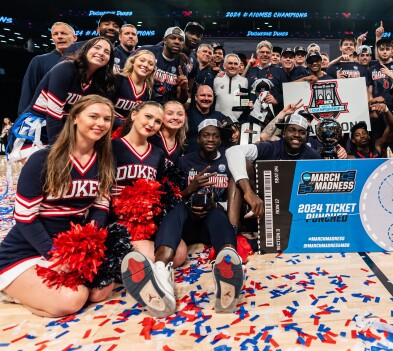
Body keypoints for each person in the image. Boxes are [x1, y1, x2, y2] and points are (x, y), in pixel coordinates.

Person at [0, 95, 115, 317]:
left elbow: (101, 206)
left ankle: (36, 293)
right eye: (93, 116)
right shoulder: (42, 159)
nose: (100, 123)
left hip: (71, 249)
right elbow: (25, 218)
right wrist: (54, 254)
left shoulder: (105, 160)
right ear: (74, 118)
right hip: (28, 249)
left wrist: (87, 244)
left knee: (102, 289)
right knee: (73, 299)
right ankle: (12, 288)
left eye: (107, 119)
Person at [114, 102, 188, 317]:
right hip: (119, 219)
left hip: (147, 219)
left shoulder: (156, 154)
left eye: (157, 121)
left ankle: (152, 275)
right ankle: (160, 290)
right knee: (151, 256)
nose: (152, 124)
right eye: (147, 117)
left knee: (180, 253)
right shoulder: (113, 147)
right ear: (134, 115)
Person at [174, 119, 245, 313]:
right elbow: (175, 197)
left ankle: (228, 266)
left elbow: (234, 198)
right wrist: (190, 191)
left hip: (215, 221)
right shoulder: (184, 161)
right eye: (206, 134)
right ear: (198, 138)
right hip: (189, 220)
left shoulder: (228, 162)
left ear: (221, 140)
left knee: (215, 213)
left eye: (215, 135)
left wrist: (216, 204)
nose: (211, 139)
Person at [10, 37, 115, 161]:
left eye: (107, 52)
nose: (101, 52)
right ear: (85, 50)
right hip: (38, 127)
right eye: (96, 47)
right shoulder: (65, 69)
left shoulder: (99, 81)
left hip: (65, 130)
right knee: (44, 170)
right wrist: (58, 150)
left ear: (109, 60)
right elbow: (53, 114)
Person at [226, 114, 321, 220]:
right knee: (240, 171)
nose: (297, 135)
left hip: (295, 205)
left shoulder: (313, 156)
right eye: (292, 130)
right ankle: (231, 231)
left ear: (306, 137)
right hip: (264, 200)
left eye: (302, 132)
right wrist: (249, 192)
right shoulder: (270, 147)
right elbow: (232, 151)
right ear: (284, 133)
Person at [18, 22, 77, 115]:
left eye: (64, 33)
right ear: (52, 38)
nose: (59, 36)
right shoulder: (39, 61)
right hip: (45, 118)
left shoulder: (83, 62)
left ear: (74, 38)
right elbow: (28, 92)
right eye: (55, 34)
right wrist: (22, 118)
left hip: (74, 118)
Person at [138, 27, 189, 105]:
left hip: (164, 108)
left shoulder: (181, 66)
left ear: (183, 44)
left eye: (180, 39)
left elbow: (182, 100)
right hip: (142, 102)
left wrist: (183, 88)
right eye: (173, 38)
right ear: (164, 40)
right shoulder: (148, 51)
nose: (177, 42)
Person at [113, 50, 155, 126]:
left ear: (153, 69)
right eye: (142, 60)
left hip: (131, 131)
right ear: (133, 62)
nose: (145, 65)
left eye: (150, 64)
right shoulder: (118, 79)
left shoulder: (150, 91)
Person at [185, 85, 226, 155]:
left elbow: (232, 127)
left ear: (213, 98)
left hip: (213, 159)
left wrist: (235, 130)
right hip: (191, 159)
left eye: (209, 96)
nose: (206, 98)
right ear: (196, 97)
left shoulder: (219, 116)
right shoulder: (186, 115)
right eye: (203, 95)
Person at [213, 53, 251, 121]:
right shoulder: (216, 80)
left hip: (237, 121)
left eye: (235, 64)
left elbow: (244, 104)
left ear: (239, 67)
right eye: (230, 63)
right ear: (224, 66)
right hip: (219, 121)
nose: (233, 66)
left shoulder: (244, 81)